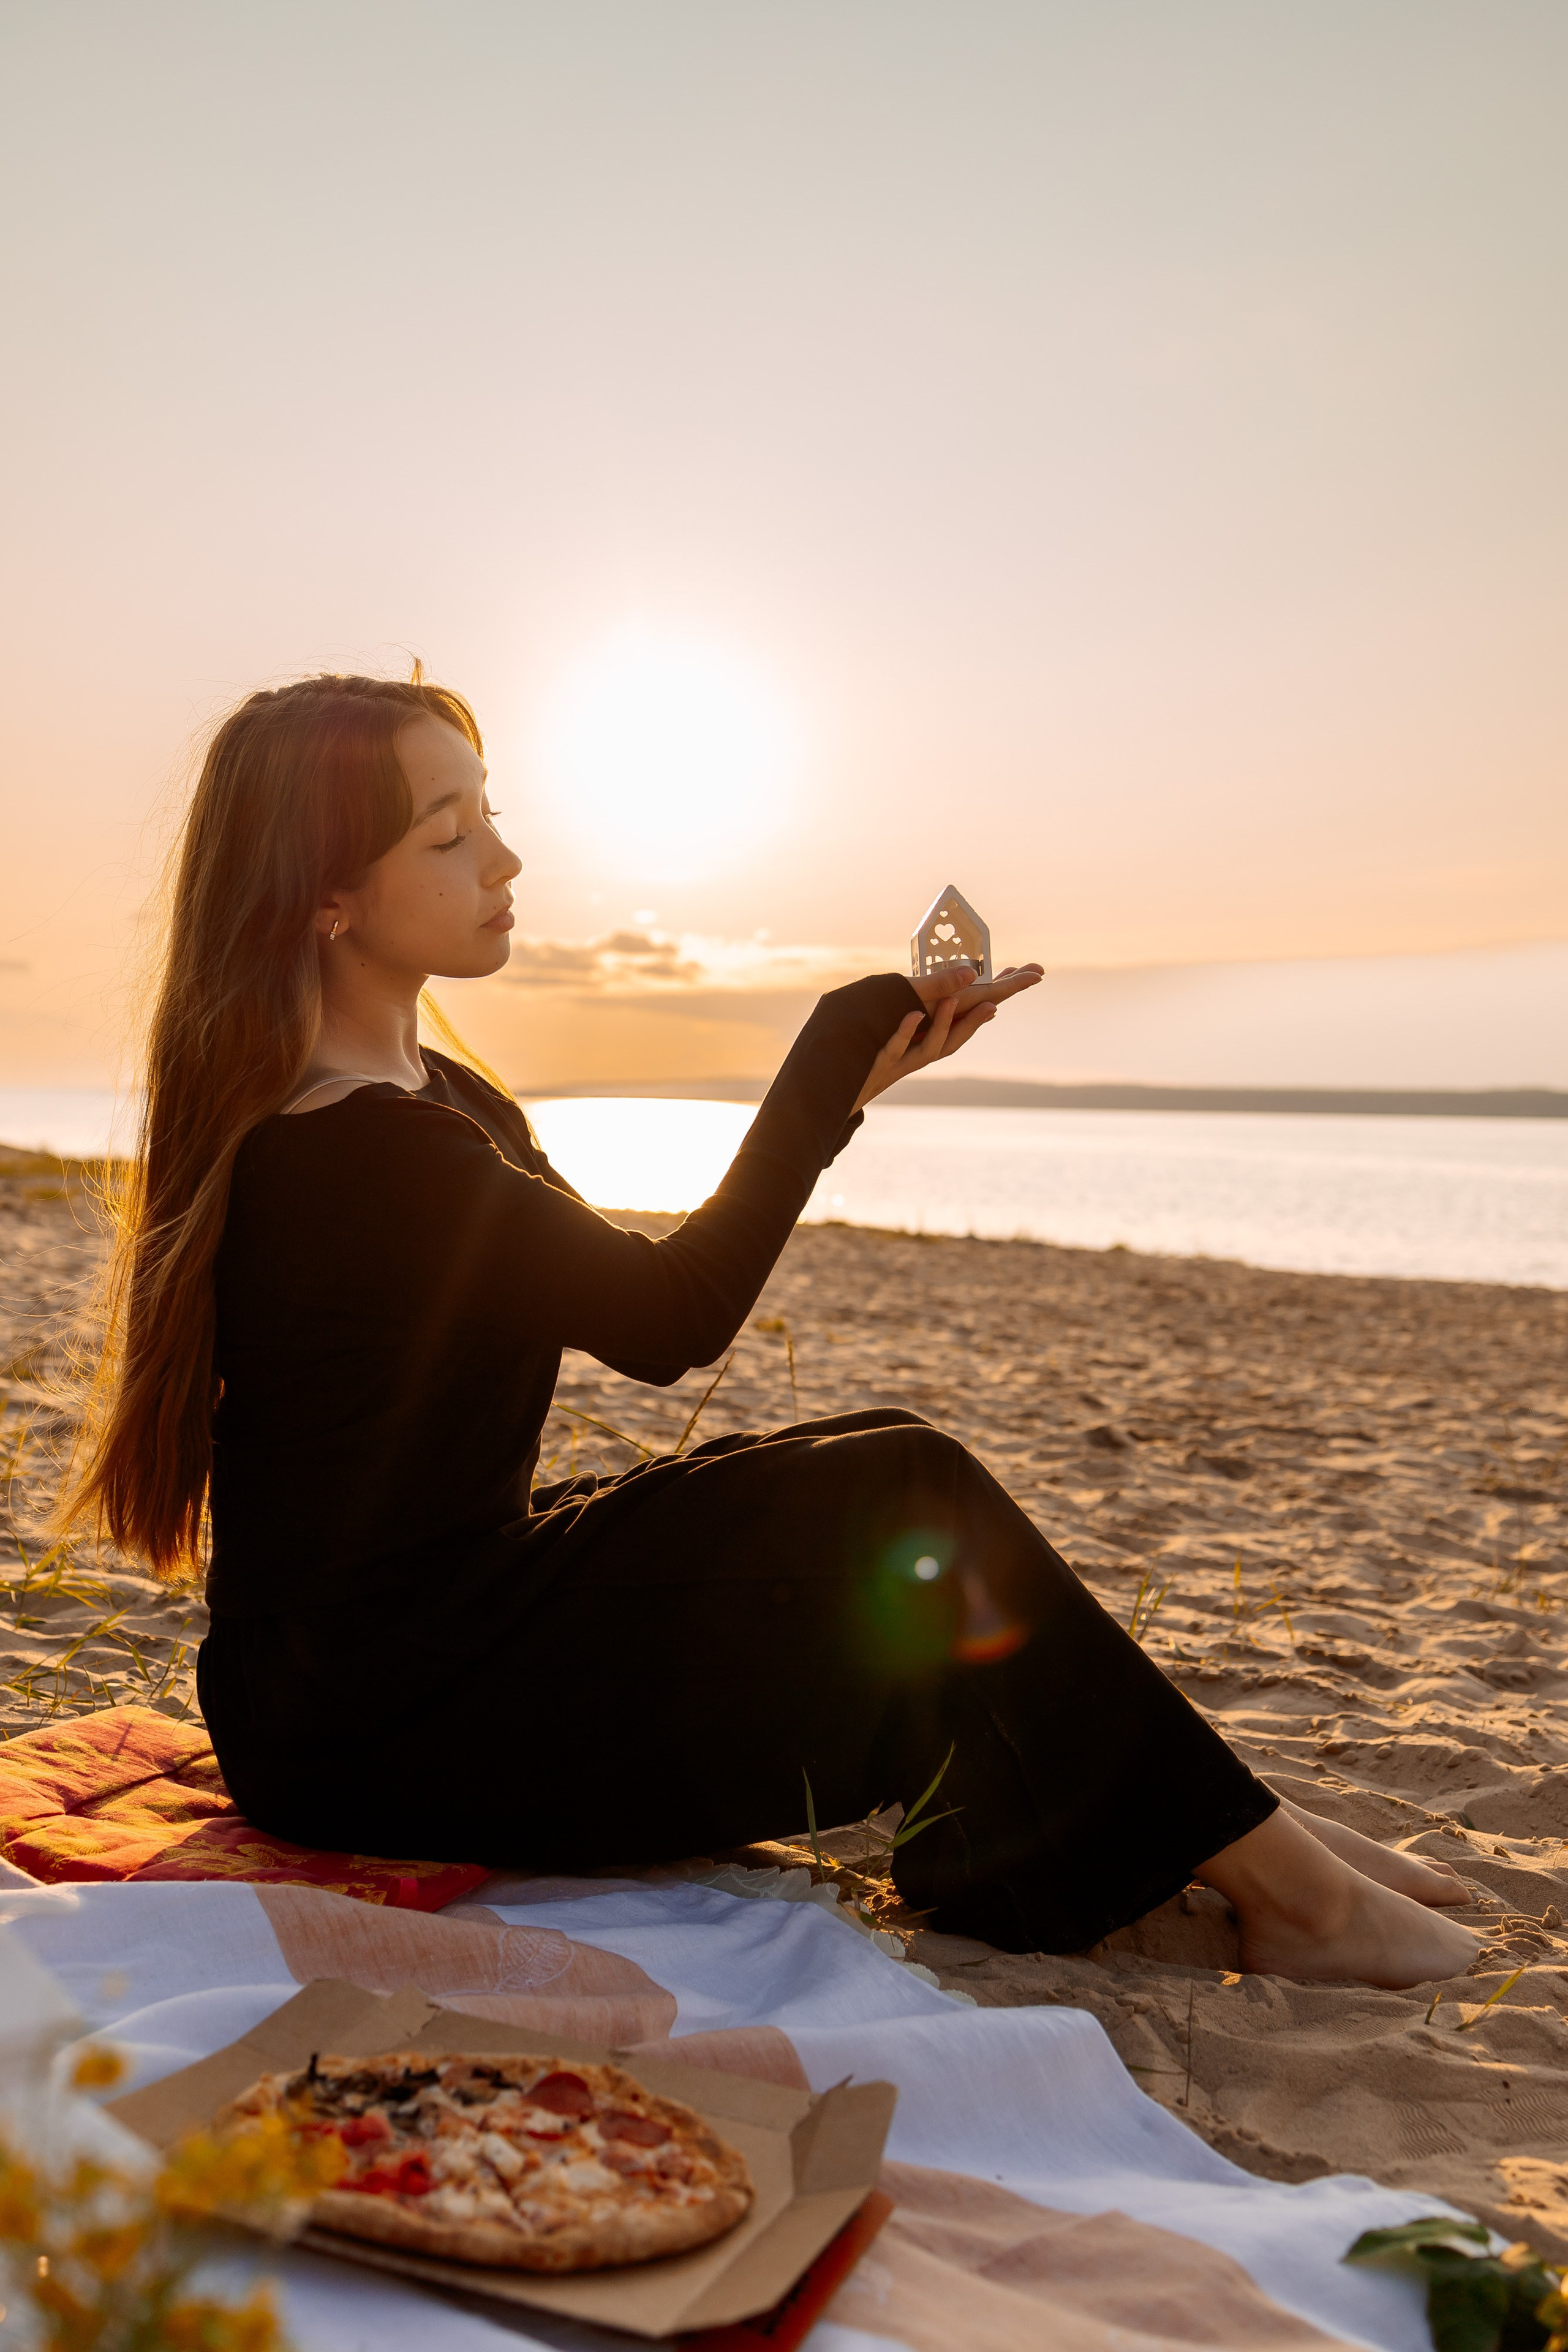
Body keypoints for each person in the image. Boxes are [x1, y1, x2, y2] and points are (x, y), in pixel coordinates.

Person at [62, 671, 1479, 1989]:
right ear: (328, 899)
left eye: (492, 818)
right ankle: (1293, 1897)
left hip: (414, 1650)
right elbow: (668, 1324)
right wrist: (816, 1068)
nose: (502, 862)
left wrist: (846, 1084)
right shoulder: (360, 1149)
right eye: (449, 837)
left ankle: (1175, 1847)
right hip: (367, 1717)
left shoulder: (443, 1102)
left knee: (866, 1472)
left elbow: (647, 1274)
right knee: (894, 1485)